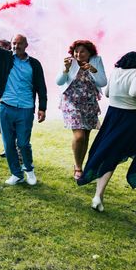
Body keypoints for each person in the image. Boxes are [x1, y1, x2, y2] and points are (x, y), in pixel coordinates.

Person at [77, 52, 136, 213]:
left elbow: (107, 93)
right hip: (133, 119)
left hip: (113, 117)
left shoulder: (116, 72)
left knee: (110, 156)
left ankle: (98, 197)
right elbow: (135, 92)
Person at [0, 19, 47, 186]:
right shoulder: (5, 57)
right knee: (8, 143)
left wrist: (42, 108)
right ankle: (16, 174)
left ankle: (29, 169)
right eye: (14, 43)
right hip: (6, 106)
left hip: (26, 108)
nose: (16, 46)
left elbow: (41, 87)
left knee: (23, 142)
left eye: (19, 43)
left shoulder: (34, 64)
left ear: (26, 45)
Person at [56, 40, 107, 179]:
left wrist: (93, 70)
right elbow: (59, 82)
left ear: (90, 52)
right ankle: (78, 167)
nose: (78, 54)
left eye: (82, 51)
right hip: (71, 103)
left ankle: (81, 164)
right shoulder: (69, 62)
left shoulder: (96, 60)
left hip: (89, 103)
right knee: (79, 137)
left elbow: (103, 82)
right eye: (76, 51)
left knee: (86, 136)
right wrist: (65, 70)